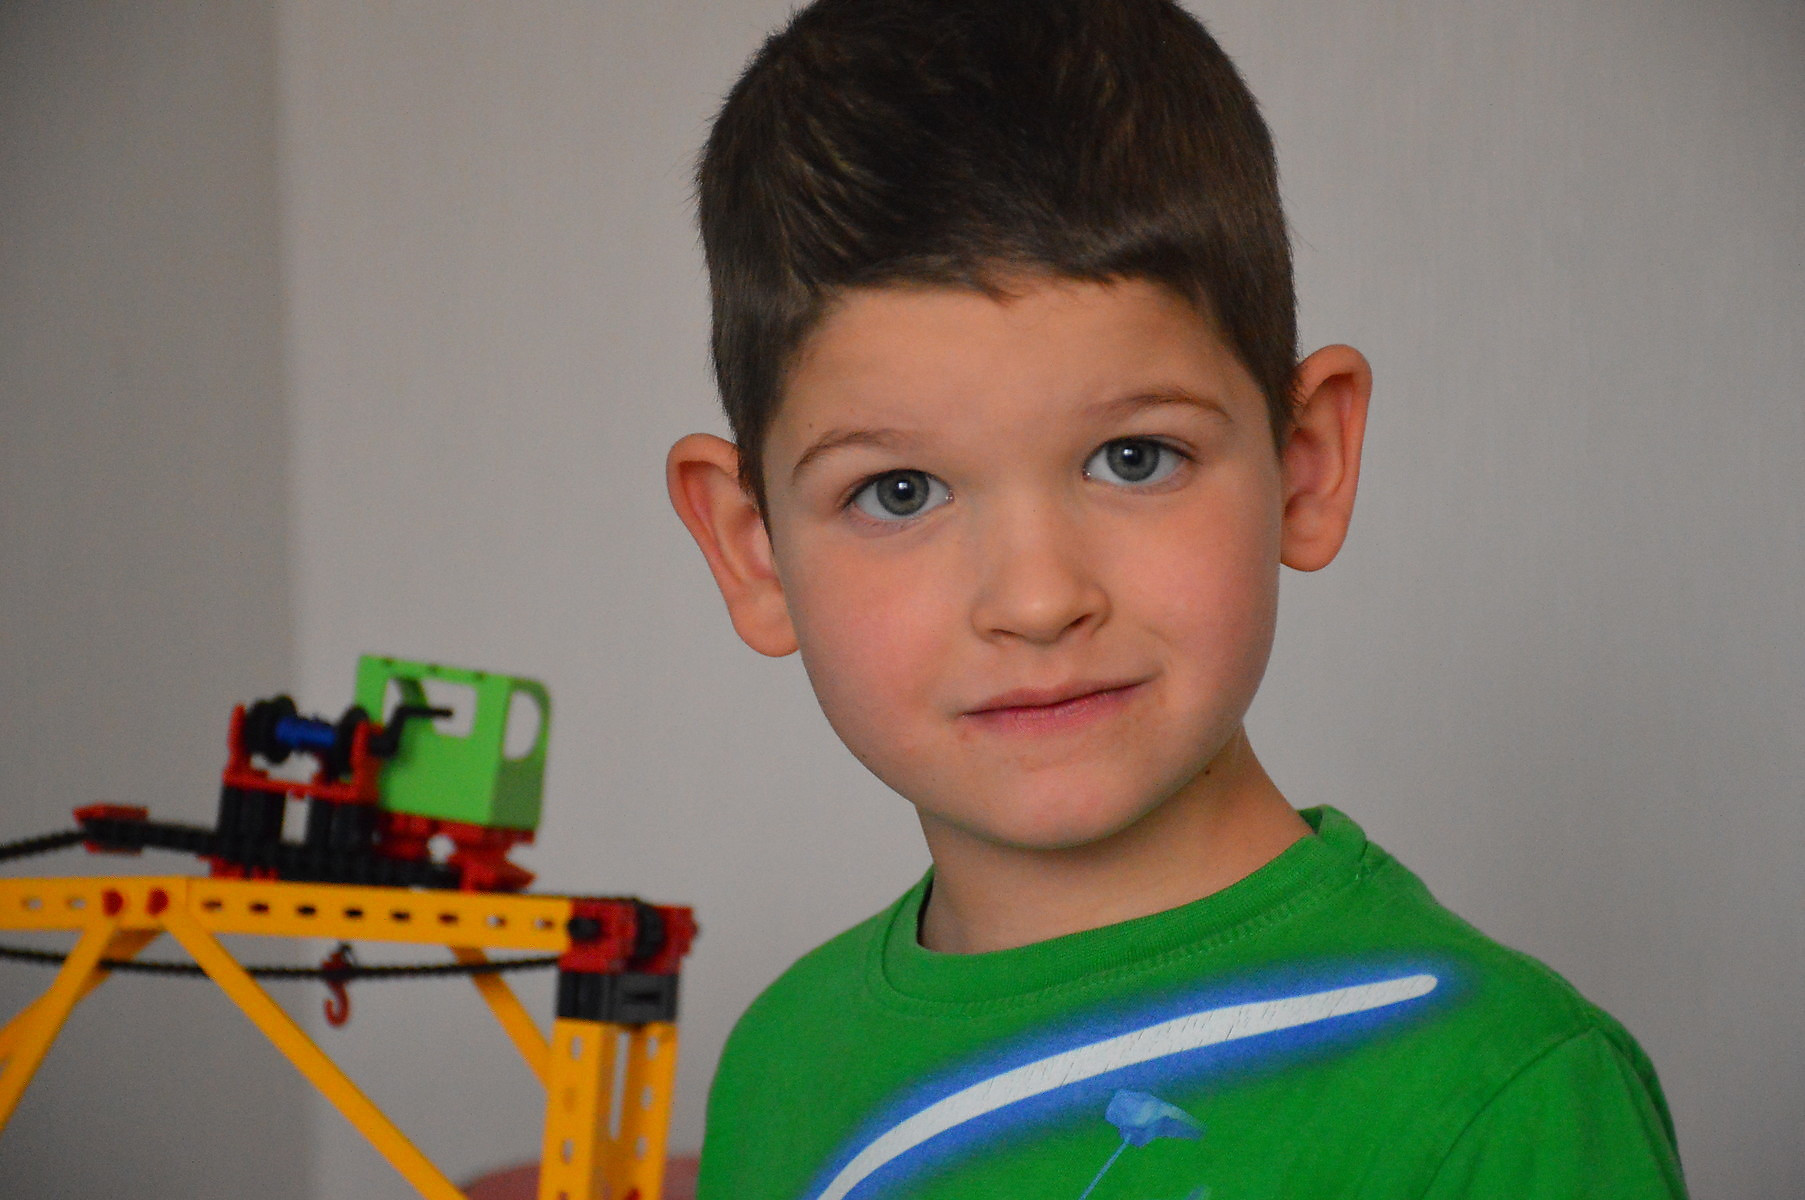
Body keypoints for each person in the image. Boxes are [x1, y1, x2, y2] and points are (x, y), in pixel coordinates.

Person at [664, 1, 1687, 1197]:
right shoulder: (781, 1061)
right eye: (898, 491)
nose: (1036, 601)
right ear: (751, 551)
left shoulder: (1501, 1092)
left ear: (1303, 464)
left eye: (1133, 458)